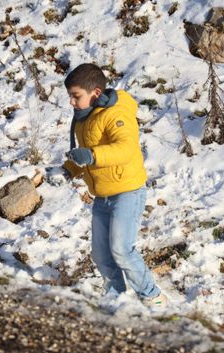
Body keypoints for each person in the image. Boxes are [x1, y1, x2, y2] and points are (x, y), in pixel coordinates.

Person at [61, 63, 168, 308]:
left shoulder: (116, 114)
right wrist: (68, 169)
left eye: (76, 96)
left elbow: (125, 149)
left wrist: (91, 156)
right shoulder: (82, 119)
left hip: (127, 192)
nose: (72, 102)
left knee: (121, 249)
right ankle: (116, 300)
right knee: (101, 254)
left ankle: (153, 298)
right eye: (70, 96)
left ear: (95, 93)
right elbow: (85, 156)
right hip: (102, 195)